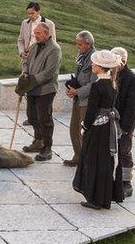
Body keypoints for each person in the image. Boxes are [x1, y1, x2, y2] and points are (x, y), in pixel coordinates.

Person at [72, 49, 125, 210]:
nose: (92, 65)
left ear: (100, 67)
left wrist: (85, 126)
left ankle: (95, 198)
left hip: (97, 129)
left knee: (93, 160)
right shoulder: (113, 83)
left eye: (94, 63)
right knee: (106, 161)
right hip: (109, 127)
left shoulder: (97, 86)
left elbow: (91, 111)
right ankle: (104, 197)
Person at [19, 22, 62, 162]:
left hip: (46, 89)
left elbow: (49, 72)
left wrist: (32, 80)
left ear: (46, 34)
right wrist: (25, 72)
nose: (35, 36)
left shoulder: (54, 49)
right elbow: (25, 61)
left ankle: (47, 148)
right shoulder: (33, 46)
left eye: (38, 33)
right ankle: (38, 141)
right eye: (35, 33)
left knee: (45, 119)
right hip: (32, 88)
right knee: (31, 116)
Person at [63, 30, 96, 167]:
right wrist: (72, 88)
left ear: (88, 44)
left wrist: (78, 91)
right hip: (78, 97)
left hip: (86, 100)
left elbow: (94, 84)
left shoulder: (94, 58)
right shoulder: (81, 55)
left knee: (83, 130)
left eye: (80, 44)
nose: (78, 47)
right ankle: (77, 155)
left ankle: (86, 159)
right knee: (74, 128)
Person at [112, 47, 135, 197]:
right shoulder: (113, 75)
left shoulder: (132, 79)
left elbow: (132, 105)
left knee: (124, 150)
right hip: (113, 120)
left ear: (123, 61)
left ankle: (126, 182)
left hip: (125, 123)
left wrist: (126, 127)